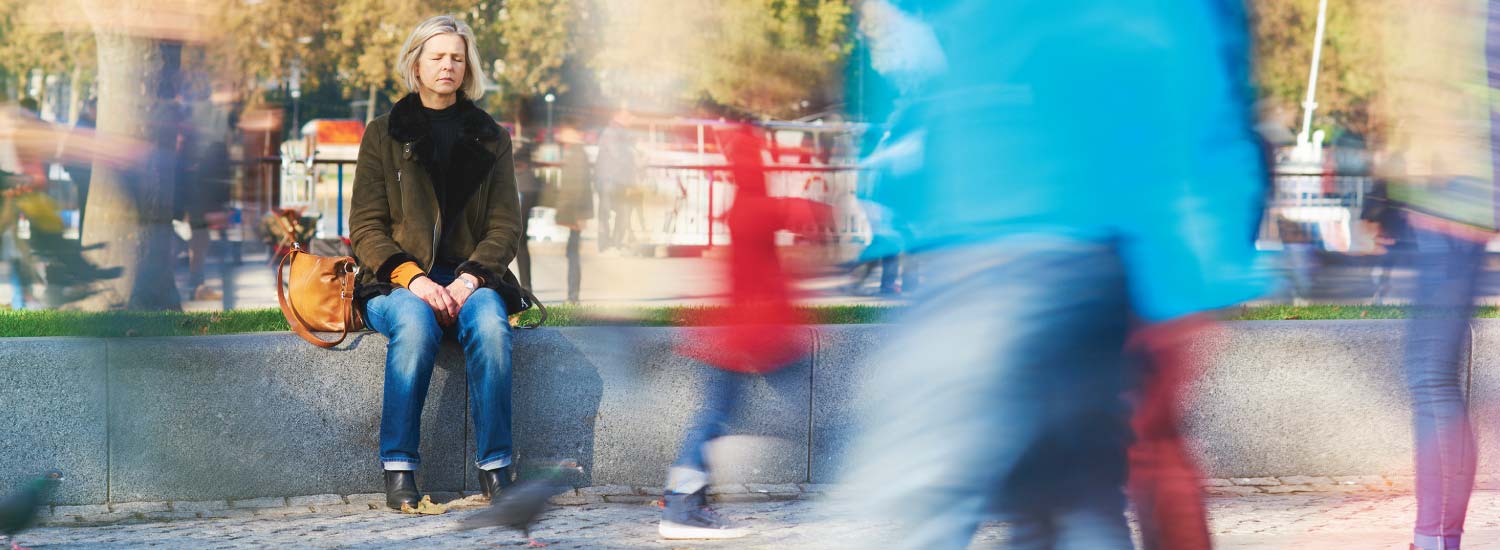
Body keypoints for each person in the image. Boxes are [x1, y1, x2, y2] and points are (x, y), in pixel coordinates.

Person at [837, 1, 1270, 548]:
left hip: (983, 247)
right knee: (1074, 503)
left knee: (955, 503)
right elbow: (1190, 96)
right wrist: (1187, 286)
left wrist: (900, 216)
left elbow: (913, 83)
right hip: (1083, 252)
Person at [348, 14, 524, 510]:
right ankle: (399, 468)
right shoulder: (383, 134)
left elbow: (505, 227)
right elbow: (365, 227)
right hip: (396, 281)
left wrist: (470, 279)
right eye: (437, 56)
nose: (448, 66)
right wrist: (414, 280)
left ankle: (495, 469)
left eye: (457, 58)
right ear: (416, 64)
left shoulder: (492, 138)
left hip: (472, 276)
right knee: (416, 323)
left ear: (468, 68)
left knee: (491, 324)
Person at [1373, 2, 1500, 548]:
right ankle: (1438, 537)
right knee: (1436, 378)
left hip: (1451, 194)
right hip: (1451, 194)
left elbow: (1441, 86)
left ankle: (1433, 540)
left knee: (1432, 378)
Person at [552, 127, 592, 303]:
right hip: (575, 211)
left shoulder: (577, 156)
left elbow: (579, 187)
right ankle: (573, 294)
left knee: (573, 253)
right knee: (572, 252)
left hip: (575, 212)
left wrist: (576, 215)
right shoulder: (577, 154)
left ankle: (573, 295)